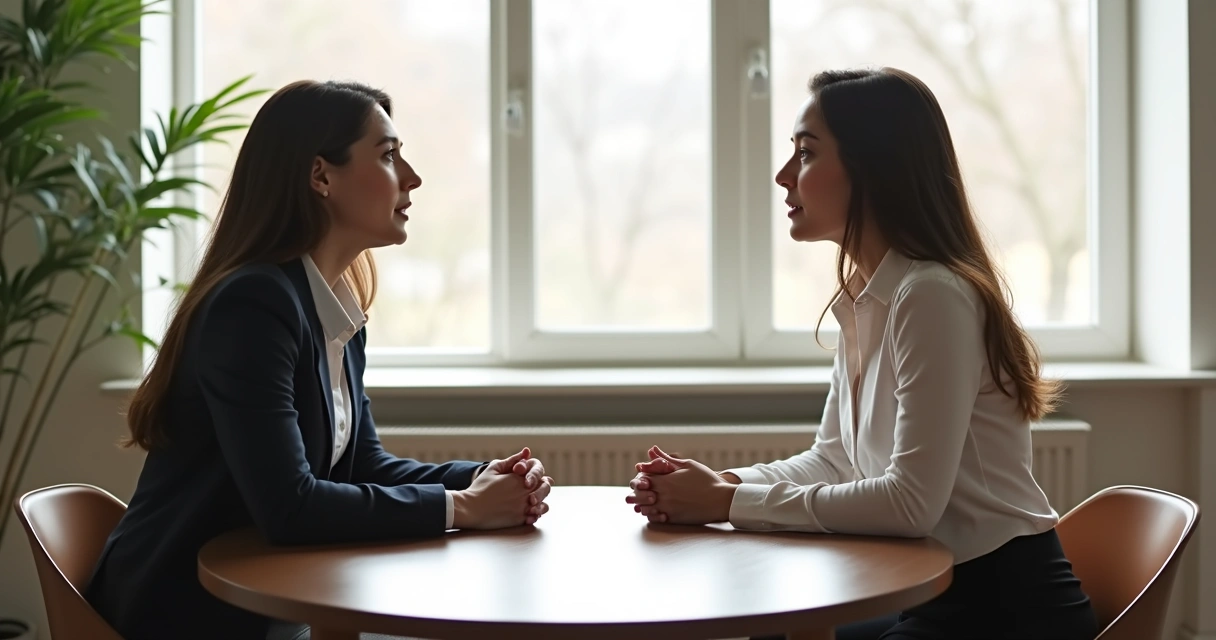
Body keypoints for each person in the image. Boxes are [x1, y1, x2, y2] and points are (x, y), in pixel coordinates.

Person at [625, 68, 1100, 640]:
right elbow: (833, 460)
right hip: (930, 590)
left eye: (805, 154)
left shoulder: (932, 294)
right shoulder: (867, 296)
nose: (783, 176)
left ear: (873, 167)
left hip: (1002, 607)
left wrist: (729, 502)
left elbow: (910, 504)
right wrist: (718, 482)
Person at [84, 80, 554, 640]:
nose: (411, 178)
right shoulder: (253, 305)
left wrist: (484, 477)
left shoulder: (331, 305)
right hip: (185, 612)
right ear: (321, 176)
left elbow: (361, 466)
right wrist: (462, 508)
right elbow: (291, 508)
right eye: (387, 155)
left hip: (264, 608)